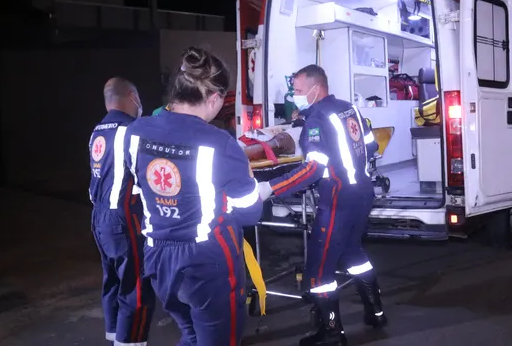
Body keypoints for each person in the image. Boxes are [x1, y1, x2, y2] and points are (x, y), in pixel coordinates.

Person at [123, 47, 263, 345]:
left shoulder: (136, 131)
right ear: (213, 98)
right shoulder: (221, 143)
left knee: (189, 332)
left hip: (158, 258)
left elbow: (140, 184)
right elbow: (250, 212)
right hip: (206, 260)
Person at [257, 64, 386, 346]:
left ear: (316, 88)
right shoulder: (348, 108)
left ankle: (331, 332)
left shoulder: (316, 119)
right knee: (353, 253)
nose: (296, 95)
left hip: (338, 199)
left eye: (300, 90)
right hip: (362, 192)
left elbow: (313, 170)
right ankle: (376, 312)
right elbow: (370, 145)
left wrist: (269, 188)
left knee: (319, 270)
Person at [88, 77, 155, 345]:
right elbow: (144, 175)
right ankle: (131, 341)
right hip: (124, 216)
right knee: (136, 288)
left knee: (113, 281)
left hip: (99, 217)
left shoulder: (97, 130)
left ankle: (115, 336)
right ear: (131, 96)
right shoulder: (131, 130)